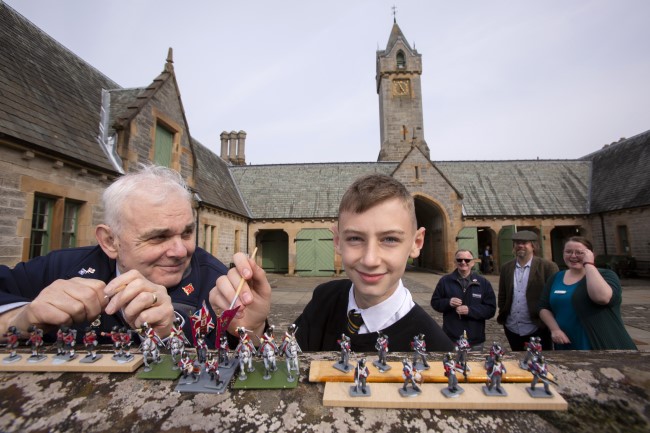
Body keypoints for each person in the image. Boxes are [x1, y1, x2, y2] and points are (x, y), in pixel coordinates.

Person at [211, 174, 454, 352]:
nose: (370, 260)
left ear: (416, 242)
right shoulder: (325, 299)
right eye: (355, 238)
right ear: (338, 241)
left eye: (389, 239)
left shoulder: (436, 349)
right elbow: (284, 365)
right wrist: (253, 329)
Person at [0, 165, 229, 346]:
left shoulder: (217, 282)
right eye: (159, 237)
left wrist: (170, 337)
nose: (180, 251)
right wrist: (18, 319)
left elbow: (240, 360)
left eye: (187, 232)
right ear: (110, 241)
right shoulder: (61, 268)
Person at [538, 237, 637, 350]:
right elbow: (544, 307)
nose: (573, 256)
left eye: (579, 252)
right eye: (568, 252)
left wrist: (589, 264)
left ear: (590, 253)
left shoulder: (606, 275)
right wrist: (555, 329)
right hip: (566, 342)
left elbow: (602, 298)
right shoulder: (556, 277)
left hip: (599, 342)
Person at [496, 230, 559, 351]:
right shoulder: (507, 267)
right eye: (517, 243)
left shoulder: (548, 266)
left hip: (537, 326)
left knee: (540, 363)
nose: (520, 245)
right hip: (512, 326)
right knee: (518, 361)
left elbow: (553, 297)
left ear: (533, 246)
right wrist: (504, 312)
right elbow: (502, 294)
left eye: (524, 243)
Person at [430, 249, 496, 351]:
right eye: (459, 260)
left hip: (475, 338)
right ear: (455, 262)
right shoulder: (445, 281)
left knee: (474, 366)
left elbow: (490, 310)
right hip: (452, 337)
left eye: (467, 260)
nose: (463, 262)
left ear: (473, 262)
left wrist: (470, 310)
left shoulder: (483, 283)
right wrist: (448, 302)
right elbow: (435, 302)